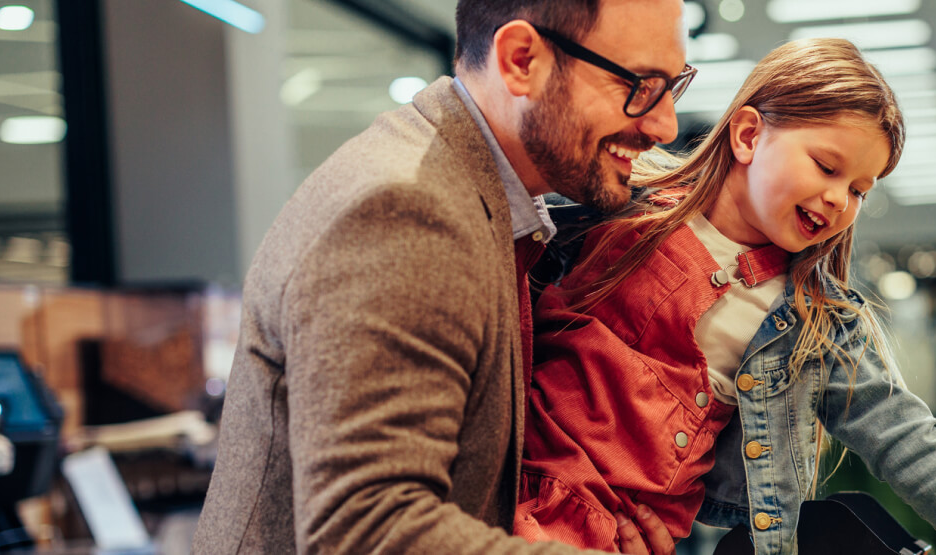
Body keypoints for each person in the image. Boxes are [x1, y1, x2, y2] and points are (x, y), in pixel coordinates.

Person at [193, 0, 691, 552]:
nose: (664, 124)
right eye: (641, 85)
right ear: (521, 59)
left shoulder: (471, 195)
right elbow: (365, 531)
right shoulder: (409, 210)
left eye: (674, 85)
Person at [518, 39, 936, 555]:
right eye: (826, 166)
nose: (839, 199)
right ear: (747, 136)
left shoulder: (817, 321)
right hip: (508, 492)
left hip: (622, 536)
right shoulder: (624, 208)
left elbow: (899, 430)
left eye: (859, 189)